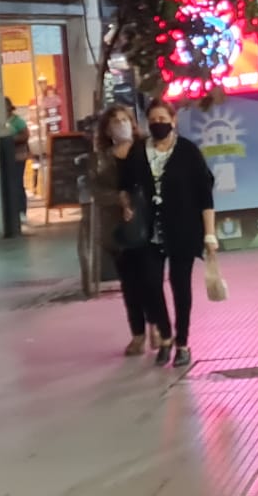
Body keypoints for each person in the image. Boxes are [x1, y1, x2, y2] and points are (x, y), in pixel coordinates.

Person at [117, 100, 217, 368]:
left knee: (180, 285)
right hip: (149, 230)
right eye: (152, 120)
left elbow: (204, 194)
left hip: (183, 229)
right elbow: (124, 185)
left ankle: (182, 342)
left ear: (173, 121)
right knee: (150, 284)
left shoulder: (188, 152)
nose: (157, 124)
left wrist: (209, 234)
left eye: (162, 119)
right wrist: (126, 205)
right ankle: (165, 334)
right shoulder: (139, 151)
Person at [96, 105, 157, 356]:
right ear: (107, 130)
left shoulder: (145, 150)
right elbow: (96, 191)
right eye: (115, 121)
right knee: (130, 285)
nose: (121, 125)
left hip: (147, 225)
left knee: (150, 280)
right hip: (117, 231)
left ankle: (156, 325)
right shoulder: (101, 159)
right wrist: (118, 199)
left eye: (125, 120)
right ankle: (137, 333)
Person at [5, 97, 31, 219]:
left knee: (18, 183)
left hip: (18, 156)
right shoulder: (1, 121)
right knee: (10, 184)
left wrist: (12, 139)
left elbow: (25, 135)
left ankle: (22, 211)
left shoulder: (18, 121)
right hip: (7, 157)